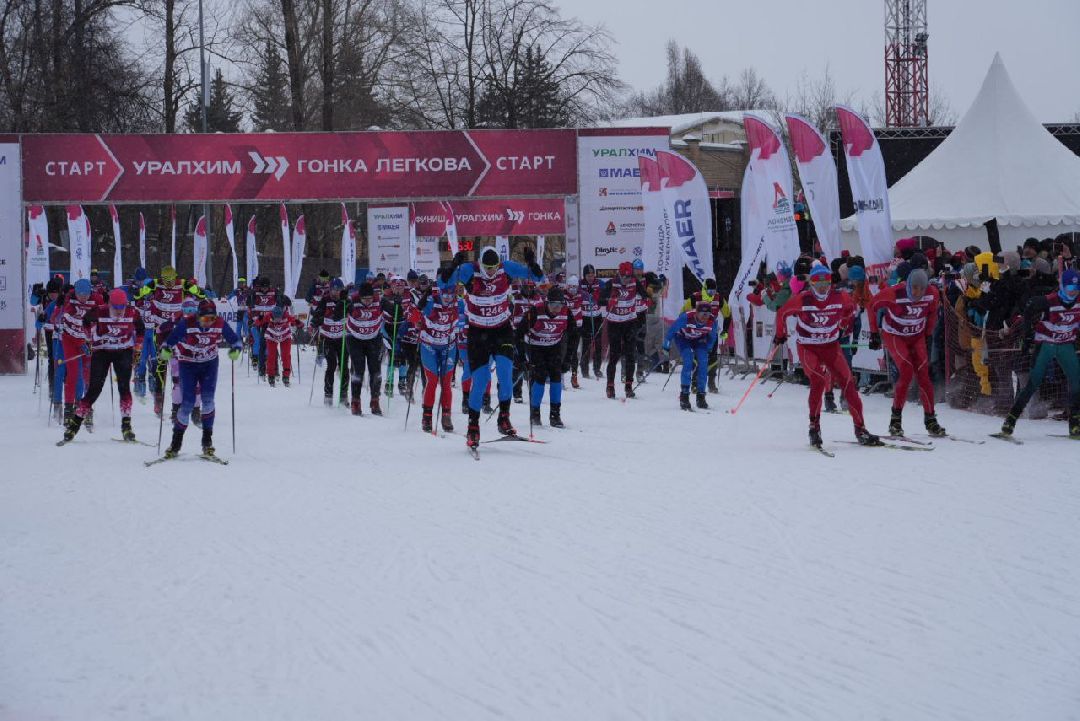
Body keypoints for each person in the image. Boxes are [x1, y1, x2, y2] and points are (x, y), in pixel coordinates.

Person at [441, 245, 544, 448]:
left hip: (502, 329)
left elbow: (537, 278)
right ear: (481, 263)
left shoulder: (506, 268)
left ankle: (503, 419)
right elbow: (444, 282)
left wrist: (532, 262)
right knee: (480, 381)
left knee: (506, 376)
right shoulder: (471, 270)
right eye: (487, 268)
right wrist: (453, 265)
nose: (490, 272)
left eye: (494, 267)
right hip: (478, 332)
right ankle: (473, 426)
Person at [775, 264, 880, 448]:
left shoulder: (840, 296)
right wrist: (780, 333)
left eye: (826, 281)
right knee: (818, 381)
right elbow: (782, 312)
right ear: (812, 282)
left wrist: (843, 324)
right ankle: (814, 428)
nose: (822, 285)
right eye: (817, 281)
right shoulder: (803, 299)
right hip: (808, 347)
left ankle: (860, 429)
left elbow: (853, 310)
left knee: (848, 383)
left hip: (830, 346)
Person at [1000, 269, 1080, 438]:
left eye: (1076, 288)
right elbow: (1028, 308)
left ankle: (1075, 423)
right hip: (1046, 344)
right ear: (1063, 286)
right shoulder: (1049, 301)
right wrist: (1027, 336)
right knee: (1033, 383)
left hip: (1066, 344)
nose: (1073, 291)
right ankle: (1010, 420)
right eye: (1070, 287)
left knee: (1076, 381)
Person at [158, 300, 242, 458]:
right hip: (188, 364)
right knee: (188, 403)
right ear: (198, 316)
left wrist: (236, 349)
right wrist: (166, 349)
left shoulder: (219, 323)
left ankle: (207, 442)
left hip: (209, 363)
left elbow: (235, 339)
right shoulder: (186, 323)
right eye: (204, 319)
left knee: (208, 400)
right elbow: (170, 340)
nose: (207, 324)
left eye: (211, 319)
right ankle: (175, 444)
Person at [867, 268, 945, 437]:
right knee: (907, 370)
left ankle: (930, 419)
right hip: (895, 335)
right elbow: (871, 305)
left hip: (916, 336)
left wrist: (928, 335)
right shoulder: (894, 293)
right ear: (909, 284)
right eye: (914, 287)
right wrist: (874, 332)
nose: (917, 292)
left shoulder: (932, 294)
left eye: (921, 289)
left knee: (924, 375)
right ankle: (895, 419)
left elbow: (932, 315)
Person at [61, 288, 146, 444]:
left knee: (124, 387)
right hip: (102, 352)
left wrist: (138, 348)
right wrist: (88, 339)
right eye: (116, 307)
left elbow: (141, 330)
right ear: (109, 304)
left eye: (122, 307)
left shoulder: (132, 312)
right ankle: (75, 424)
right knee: (94, 389)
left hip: (123, 351)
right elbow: (85, 322)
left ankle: (126, 425)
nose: (120, 311)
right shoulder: (99, 311)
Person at [412, 282, 462, 432]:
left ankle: (446, 415)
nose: (447, 298)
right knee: (432, 381)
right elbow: (413, 314)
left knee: (446, 382)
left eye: (451, 294)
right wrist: (417, 322)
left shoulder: (459, 303)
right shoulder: (430, 303)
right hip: (429, 346)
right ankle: (427, 416)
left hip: (448, 346)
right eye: (444, 294)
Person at [524, 286, 576, 428]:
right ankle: (535, 413)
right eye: (553, 305)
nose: (556, 309)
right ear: (547, 303)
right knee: (540, 376)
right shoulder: (536, 310)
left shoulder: (566, 313)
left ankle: (555, 414)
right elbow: (519, 333)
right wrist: (522, 357)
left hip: (553, 345)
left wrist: (568, 358)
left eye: (559, 305)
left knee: (556, 376)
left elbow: (574, 335)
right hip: (535, 345)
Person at [58, 278, 104, 428]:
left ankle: (87, 407)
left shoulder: (96, 299)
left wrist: (98, 341)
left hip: (88, 341)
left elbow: (101, 320)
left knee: (89, 375)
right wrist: (81, 343)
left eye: (86, 295)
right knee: (72, 374)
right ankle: (69, 410)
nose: (83, 298)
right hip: (70, 340)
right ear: (75, 292)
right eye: (80, 295)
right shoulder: (69, 301)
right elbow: (71, 326)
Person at [598, 261, 647, 399]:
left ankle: (629, 386)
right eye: (624, 276)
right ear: (619, 273)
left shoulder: (634, 282)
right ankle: (610, 386)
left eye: (628, 276)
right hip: (614, 323)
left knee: (631, 354)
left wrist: (647, 298)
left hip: (630, 322)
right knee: (615, 355)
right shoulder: (611, 283)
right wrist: (609, 301)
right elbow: (599, 300)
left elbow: (644, 295)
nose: (626, 279)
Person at [664, 301, 718, 410]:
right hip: (683, 338)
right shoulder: (686, 317)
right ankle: (684, 396)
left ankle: (701, 396)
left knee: (703, 362)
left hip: (698, 339)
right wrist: (666, 345)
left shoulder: (712, 321)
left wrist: (708, 348)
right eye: (702, 314)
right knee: (688, 361)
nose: (704, 317)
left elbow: (712, 337)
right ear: (696, 313)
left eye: (707, 314)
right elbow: (672, 330)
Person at [344, 282, 385, 416]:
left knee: (376, 371)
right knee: (358, 370)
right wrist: (342, 304)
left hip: (373, 338)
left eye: (370, 299)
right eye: (365, 299)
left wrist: (396, 304)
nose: (368, 302)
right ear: (359, 297)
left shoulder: (379, 301)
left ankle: (375, 400)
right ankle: (356, 401)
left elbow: (396, 310)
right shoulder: (352, 301)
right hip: (355, 339)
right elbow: (339, 313)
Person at [311, 279, 348, 406]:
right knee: (331, 365)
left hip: (342, 338)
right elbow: (317, 315)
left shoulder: (345, 301)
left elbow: (353, 313)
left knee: (344, 367)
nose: (336, 292)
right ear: (330, 289)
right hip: (328, 338)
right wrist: (316, 321)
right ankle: (328, 395)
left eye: (339, 290)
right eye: (334, 289)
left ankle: (344, 395)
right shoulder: (325, 300)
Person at [258, 304, 301, 387]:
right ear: (273, 315)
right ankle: (271, 376)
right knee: (271, 356)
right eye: (275, 318)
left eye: (279, 318)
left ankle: (286, 376)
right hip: (271, 336)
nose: (277, 320)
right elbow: (259, 322)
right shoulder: (268, 315)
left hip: (285, 336)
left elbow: (294, 320)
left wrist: (299, 323)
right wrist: (259, 319)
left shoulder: (286, 315)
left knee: (286, 356)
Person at [578, 264, 604, 378]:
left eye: (592, 274)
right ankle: (584, 369)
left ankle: (597, 368)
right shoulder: (580, 284)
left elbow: (608, 289)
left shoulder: (599, 282)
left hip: (597, 316)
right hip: (585, 317)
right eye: (588, 275)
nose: (591, 277)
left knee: (598, 344)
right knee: (586, 344)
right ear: (584, 275)